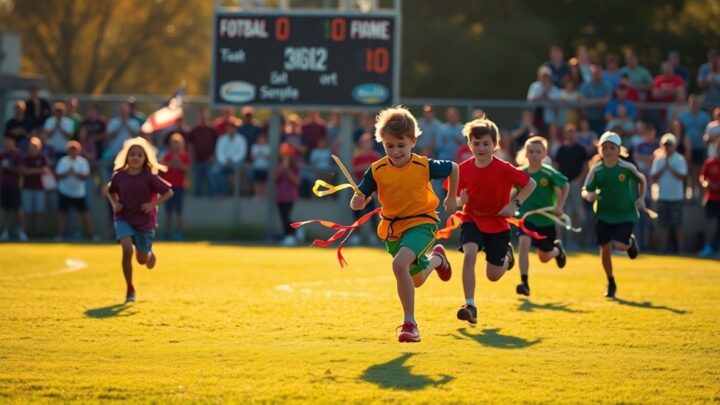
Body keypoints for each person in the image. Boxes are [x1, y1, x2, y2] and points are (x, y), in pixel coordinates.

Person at [351, 106, 458, 343]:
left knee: (400, 266)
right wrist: (357, 201)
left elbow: (453, 168)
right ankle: (438, 259)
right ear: (382, 142)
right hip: (392, 229)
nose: (396, 151)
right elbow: (361, 195)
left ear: (413, 141)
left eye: (401, 145)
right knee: (416, 279)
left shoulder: (424, 165)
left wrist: (451, 197)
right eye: (390, 146)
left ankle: (410, 324)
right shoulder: (377, 170)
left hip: (422, 223)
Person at [451, 116, 536, 325]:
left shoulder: (504, 168)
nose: (481, 148)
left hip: (498, 224)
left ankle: (507, 257)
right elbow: (451, 201)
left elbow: (530, 184)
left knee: (493, 275)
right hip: (472, 218)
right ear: (469, 145)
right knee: (469, 253)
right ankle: (469, 305)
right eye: (476, 143)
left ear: (495, 145)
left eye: (486, 143)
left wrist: (514, 205)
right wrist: (459, 200)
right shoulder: (461, 169)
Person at [107, 138, 173, 303]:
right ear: (126, 157)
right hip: (124, 218)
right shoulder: (119, 176)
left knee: (142, 260)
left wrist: (153, 204)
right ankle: (129, 287)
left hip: (144, 222)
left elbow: (169, 192)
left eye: (139, 155)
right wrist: (115, 203)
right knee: (127, 248)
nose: (135, 157)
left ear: (145, 159)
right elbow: (110, 191)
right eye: (132, 154)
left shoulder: (149, 177)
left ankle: (149, 255)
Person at [582, 132, 647, 298]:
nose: (608, 150)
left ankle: (630, 243)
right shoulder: (596, 169)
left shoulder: (627, 167)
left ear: (619, 150)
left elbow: (642, 179)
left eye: (612, 147)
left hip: (625, 213)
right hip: (603, 214)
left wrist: (641, 198)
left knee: (619, 245)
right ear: (599, 149)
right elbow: (585, 189)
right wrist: (589, 196)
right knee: (605, 249)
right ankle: (610, 281)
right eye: (604, 147)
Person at [513, 136, 569, 296]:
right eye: (531, 151)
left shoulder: (548, 172)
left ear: (544, 154)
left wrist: (560, 206)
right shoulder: (519, 173)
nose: (534, 155)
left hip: (545, 220)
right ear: (526, 153)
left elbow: (565, 185)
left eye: (538, 151)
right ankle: (524, 282)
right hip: (525, 218)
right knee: (523, 243)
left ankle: (557, 251)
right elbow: (510, 190)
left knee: (544, 257)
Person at [650, 134, 688, 253]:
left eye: (670, 145)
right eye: (665, 145)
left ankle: (680, 248)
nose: (667, 148)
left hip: (676, 197)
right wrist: (664, 167)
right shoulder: (659, 160)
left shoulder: (679, 159)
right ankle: (663, 248)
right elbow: (654, 177)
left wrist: (670, 167)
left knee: (677, 224)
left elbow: (682, 176)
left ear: (674, 146)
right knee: (663, 224)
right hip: (663, 196)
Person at [55, 141, 96, 241]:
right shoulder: (63, 161)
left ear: (78, 151)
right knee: (62, 214)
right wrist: (68, 172)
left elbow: (85, 176)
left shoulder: (83, 162)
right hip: (64, 191)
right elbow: (59, 175)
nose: (73, 152)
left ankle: (91, 235)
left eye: (75, 150)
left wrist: (75, 173)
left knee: (85, 214)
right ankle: (60, 235)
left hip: (79, 193)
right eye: (71, 150)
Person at [161, 133, 190, 240]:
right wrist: (170, 164)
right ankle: (167, 233)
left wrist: (179, 165)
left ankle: (179, 234)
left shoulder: (184, 156)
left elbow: (187, 169)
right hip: (168, 187)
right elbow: (163, 168)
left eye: (177, 143)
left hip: (180, 187)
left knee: (179, 211)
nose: (175, 146)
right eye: (173, 143)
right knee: (168, 212)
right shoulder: (167, 155)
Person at [0, 137, 27, 241]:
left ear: (14, 143)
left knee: (17, 209)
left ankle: (22, 231)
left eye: (9, 142)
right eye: (6, 142)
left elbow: (21, 170)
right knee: (5, 209)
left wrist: (10, 167)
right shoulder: (2, 155)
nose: (8, 144)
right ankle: (6, 231)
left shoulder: (18, 155)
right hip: (4, 185)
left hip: (15, 186)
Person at [21, 137, 49, 237]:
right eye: (32, 146)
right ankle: (24, 232)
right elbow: (24, 171)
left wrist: (31, 171)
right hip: (27, 188)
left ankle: (39, 232)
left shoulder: (42, 158)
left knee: (39, 212)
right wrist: (37, 170)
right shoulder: (26, 158)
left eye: (35, 146)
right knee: (26, 211)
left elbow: (45, 171)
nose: (33, 148)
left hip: (39, 188)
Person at [275, 143, 301, 246]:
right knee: (283, 216)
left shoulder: (295, 167)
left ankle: (292, 234)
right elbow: (275, 179)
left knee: (286, 216)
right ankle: (291, 234)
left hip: (290, 196)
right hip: (280, 196)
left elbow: (297, 181)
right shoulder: (279, 166)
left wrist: (287, 170)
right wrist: (282, 168)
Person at [699, 139, 720, 258]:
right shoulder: (710, 162)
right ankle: (707, 247)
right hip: (711, 197)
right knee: (709, 224)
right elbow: (702, 177)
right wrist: (707, 184)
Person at [250, 132, 271, 198]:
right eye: (260, 139)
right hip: (257, 167)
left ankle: (264, 195)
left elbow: (268, 157)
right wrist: (258, 152)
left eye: (263, 139)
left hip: (265, 167)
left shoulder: (268, 147)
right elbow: (252, 157)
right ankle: (257, 195)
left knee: (264, 182)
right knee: (257, 181)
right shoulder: (254, 147)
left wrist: (263, 152)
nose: (261, 140)